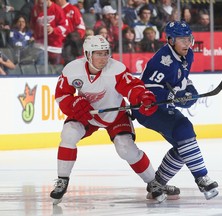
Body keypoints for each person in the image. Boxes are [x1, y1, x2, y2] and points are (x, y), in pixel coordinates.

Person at [50, 35, 178, 205]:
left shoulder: (116, 69)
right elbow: (61, 95)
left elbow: (133, 87)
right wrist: (73, 103)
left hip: (115, 115)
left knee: (125, 148)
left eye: (106, 53)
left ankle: (152, 182)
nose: (103, 58)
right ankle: (62, 180)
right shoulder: (72, 70)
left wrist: (144, 97)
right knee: (68, 134)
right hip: (87, 115)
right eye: (98, 54)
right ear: (88, 54)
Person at [132, 21, 219, 200]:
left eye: (189, 39)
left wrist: (190, 91)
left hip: (163, 107)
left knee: (184, 146)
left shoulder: (188, 55)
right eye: (182, 39)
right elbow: (148, 89)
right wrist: (174, 97)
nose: (187, 43)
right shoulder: (162, 60)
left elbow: (184, 79)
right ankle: (202, 178)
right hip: (148, 109)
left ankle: (157, 184)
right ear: (171, 40)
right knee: (184, 129)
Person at [30, 0, 67, 65]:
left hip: (54, 46)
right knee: (40, 68)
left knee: (55, 70)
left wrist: (53, 30)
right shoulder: (36, 9)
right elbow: (33, 24)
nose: (40, 5)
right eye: (39, 3)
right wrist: (34, 35)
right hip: (40, 45)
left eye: (42, 3)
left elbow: (64, 27)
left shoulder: (57, 9)